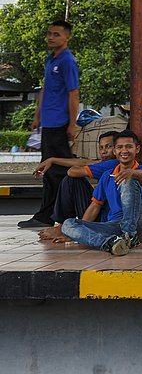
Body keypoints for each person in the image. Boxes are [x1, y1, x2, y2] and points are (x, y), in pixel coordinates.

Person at [18, 20, 80, 228]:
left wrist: (72, 123)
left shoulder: (67, 61)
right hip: (49, 121)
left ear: (66, 38)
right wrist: (38, 116)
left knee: (55, 171)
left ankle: (49, 215)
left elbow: (73, 93)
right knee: (51, 170)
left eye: (56, 34)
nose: (51, 37)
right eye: (49, 34)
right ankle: (57, 213)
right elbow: (45, 89)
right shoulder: (49, 59)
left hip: (60, 123)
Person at [61, 130, 142, 256]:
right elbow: (95, 206)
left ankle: (129, 235)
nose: (124, 151)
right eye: (119, 147)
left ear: (137, 149)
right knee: (68, 225)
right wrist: (81, 231)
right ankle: (111, 244)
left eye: (129, 147)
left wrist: (132, 173)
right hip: (115, 226)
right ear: (115, 151)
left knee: (128, 181)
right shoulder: (107, 176)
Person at [36, 130, 120, 243]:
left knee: (71, 180)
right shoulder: (110, 164)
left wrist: (92, 164)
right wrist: (53, 160)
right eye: (101, 148)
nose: (104, 151)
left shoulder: (111, 163)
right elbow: (84, 162)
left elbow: (72, 172)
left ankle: (64, 227)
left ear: (116, 148)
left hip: (103, 219)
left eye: (108, 147)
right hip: (100, 213)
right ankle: (66, 226)